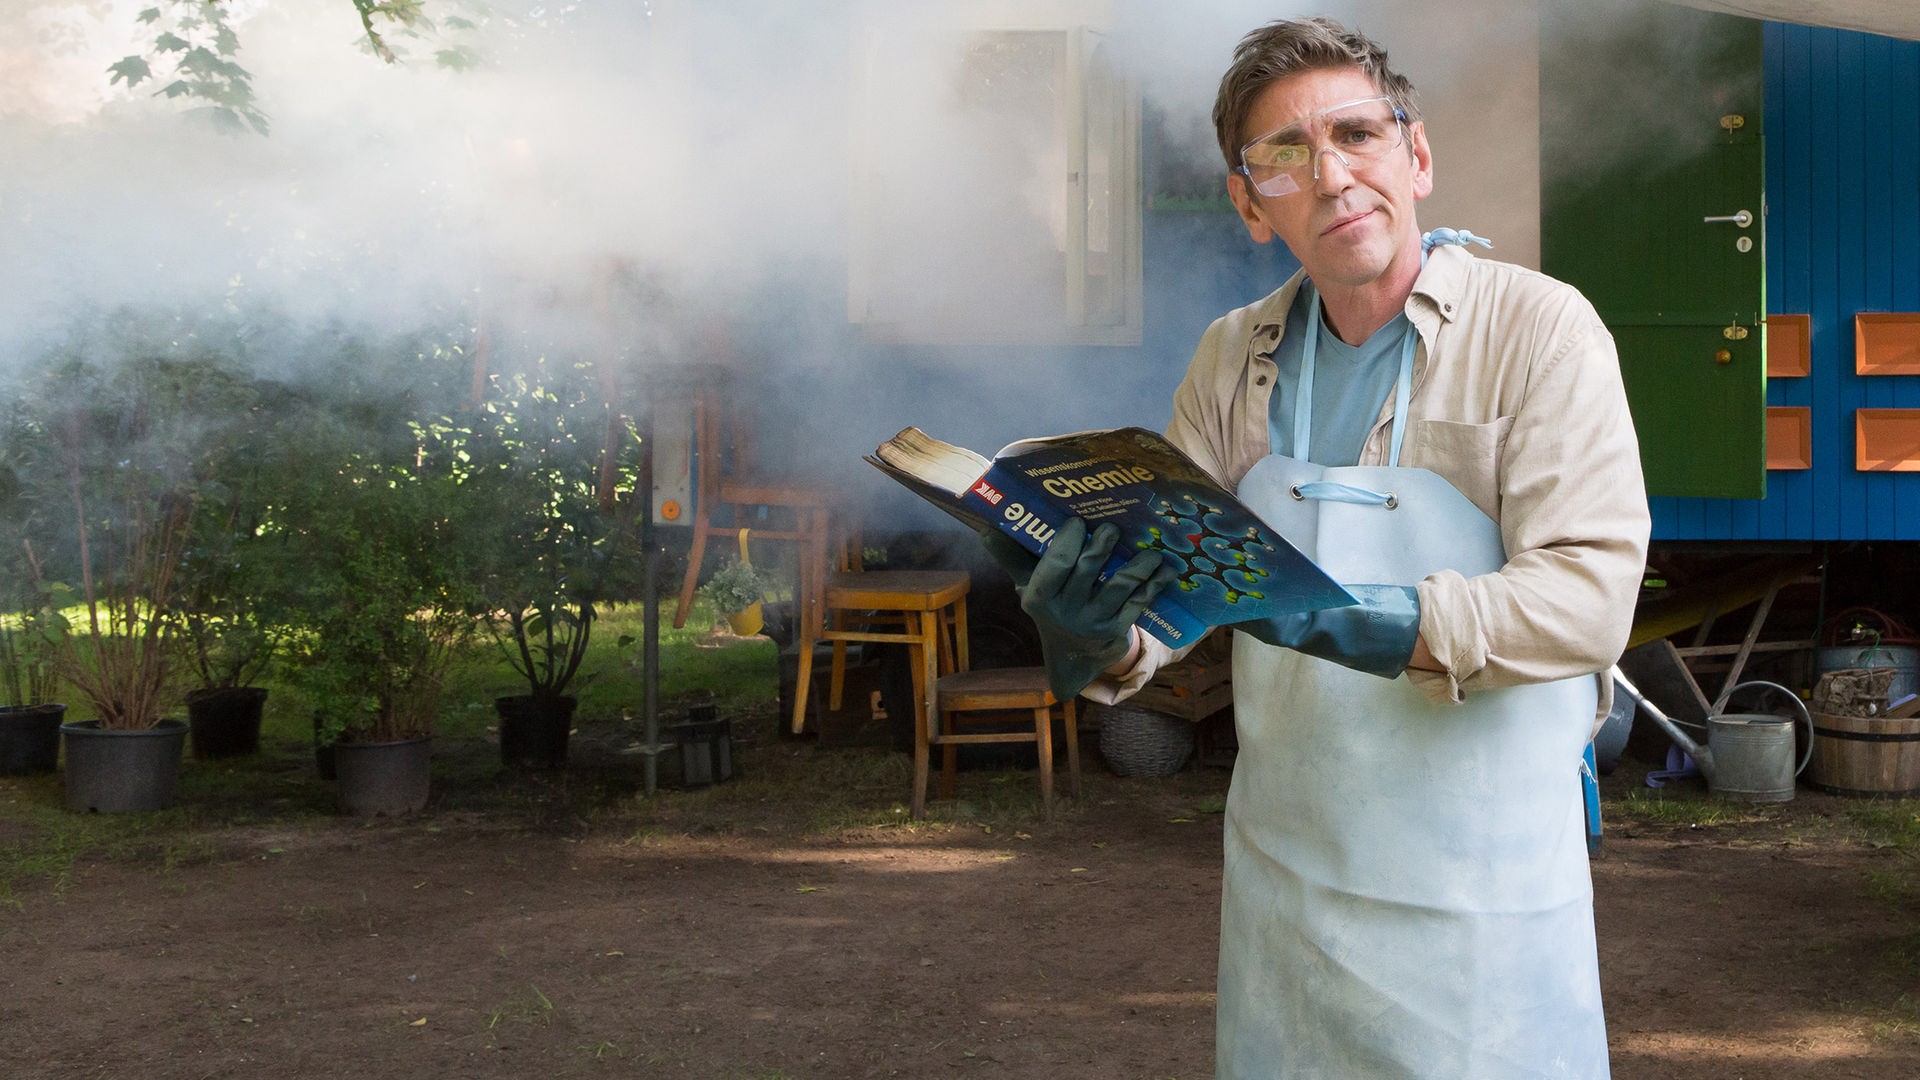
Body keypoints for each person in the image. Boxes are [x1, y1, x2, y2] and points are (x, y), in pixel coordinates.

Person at [982, 16, 1650, 1078]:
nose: (1332, 175)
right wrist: (1092, 632)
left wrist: (1352, 620)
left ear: (1416, 156)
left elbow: (1587, 598)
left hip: (1482, 895)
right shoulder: (1230, 357)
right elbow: (1166, 605)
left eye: (1357, 134)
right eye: (1286, 156)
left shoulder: (1541, 331)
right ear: (1251, 206)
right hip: (1287, 879)